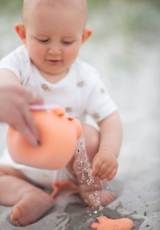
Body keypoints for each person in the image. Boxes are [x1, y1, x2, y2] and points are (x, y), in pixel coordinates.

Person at [0, 0, 123, 227]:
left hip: (73, 166)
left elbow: (110, 118)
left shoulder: (86, 78)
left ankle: (89, 186)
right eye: (43, 40)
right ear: (23, 33)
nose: (54, 50)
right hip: (25, 162)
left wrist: (108, 152)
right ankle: (30, 194)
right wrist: (6, 92)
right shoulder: (19, 63)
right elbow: (4, 79)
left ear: (83, 38)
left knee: (90, 134)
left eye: (67, 42)